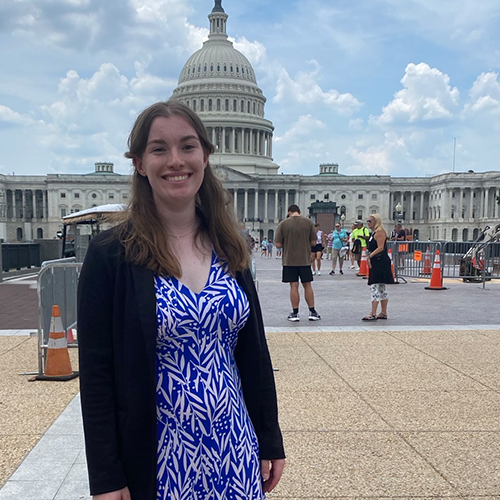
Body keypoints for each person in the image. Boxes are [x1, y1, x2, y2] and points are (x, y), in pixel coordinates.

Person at [77, 100, 285, 500]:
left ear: (206, 156)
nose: (176, 161)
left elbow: (254, 353)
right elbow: (97, 373)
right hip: (157, 455)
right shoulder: (111, 254)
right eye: (159, 149)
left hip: (233, 444)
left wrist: (269, 437)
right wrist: (106, 476)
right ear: (139, 162)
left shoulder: (231, 246)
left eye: (187, 147)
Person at [275, 205, 321, 322]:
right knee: (307, 285)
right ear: (299, 211)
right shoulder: (309, 222)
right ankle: (312, 311)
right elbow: (314, 242)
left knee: (294, 285)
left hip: (289, 260)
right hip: (304, 259)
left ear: (289, 212)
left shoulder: (283, 224)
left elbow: (278, 245)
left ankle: (295, 313)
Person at [362, 214, 395, 321]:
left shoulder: (380, 232)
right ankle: (383, 312)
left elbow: (380, 247)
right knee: (381, 287)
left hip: (380, 261)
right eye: (367, 221)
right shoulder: (374, 233)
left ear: (376, 221)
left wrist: (369, 256)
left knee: (374, 286)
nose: (368, 223)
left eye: (370, 221)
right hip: (377, 261)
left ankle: (373, 312)